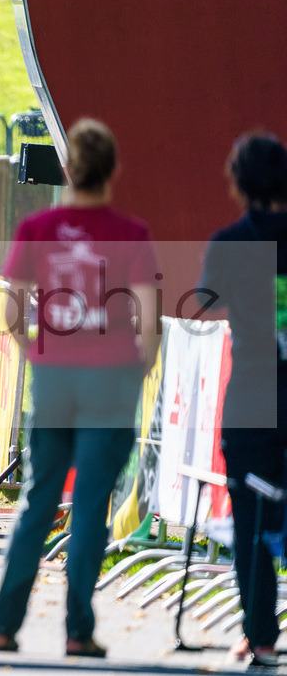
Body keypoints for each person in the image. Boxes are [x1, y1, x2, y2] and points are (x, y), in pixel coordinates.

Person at [0, 119, 160, 658]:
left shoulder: (37, 228)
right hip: (111, 377)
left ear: (67, 169)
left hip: (55, 377)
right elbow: (149, 320)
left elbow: (10, 309)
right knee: (90, 506)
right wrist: (138, 369)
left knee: (39, 500)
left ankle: (5, 625)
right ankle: (77, 629)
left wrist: (34, 351)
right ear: (113, 171)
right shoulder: (131, 233)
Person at [197, 133, 287, 668]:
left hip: (253, 395)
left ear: (239, 183)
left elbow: (206, 300)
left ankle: (261, 637)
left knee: (251, 519)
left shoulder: (231, 241)